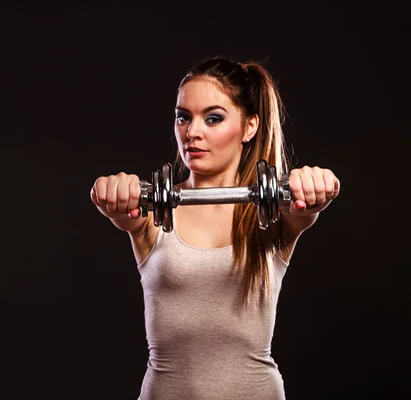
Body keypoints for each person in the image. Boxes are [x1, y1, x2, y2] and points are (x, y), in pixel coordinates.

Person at [90, 55, 341, 400]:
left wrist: (318, 184)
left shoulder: (274, 215)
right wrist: (111, 190)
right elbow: (118, 206)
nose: (192, 132)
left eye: (213, 118)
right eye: (183, 117)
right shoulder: (150, 212)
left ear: (249, 126)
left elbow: (309, 205)